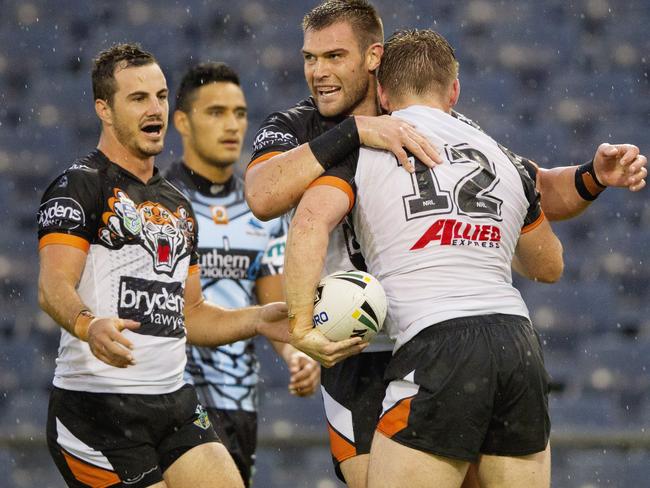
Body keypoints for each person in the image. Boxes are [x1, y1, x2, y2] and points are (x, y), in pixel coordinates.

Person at [244, 2, 647, 486]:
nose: (318, 72)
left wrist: (591, 177)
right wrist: (354, 132)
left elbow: (533, 186)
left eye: (334, 57)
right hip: (360, 346)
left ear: (375, 59)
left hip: (429, 334)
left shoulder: (441, 123)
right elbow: (263, 194)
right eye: (310, 58)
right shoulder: (297, 125)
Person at [284, 27, 566, 488]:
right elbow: (549, 265)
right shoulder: (504, 157)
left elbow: (310, 221)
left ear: (382, 93)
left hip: (438, 341)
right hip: (518, 344)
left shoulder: (364, 148)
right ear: (454, 90)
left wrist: (299, 325)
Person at [37, 44, 293, 488]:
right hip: (97, 409)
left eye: (159, 96)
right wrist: (87, 325)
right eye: (138, 98)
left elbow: (191, 315)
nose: (154, 108)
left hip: (174, 403)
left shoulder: (177, 203)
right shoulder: (78, 185)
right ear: (104, 109)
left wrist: (258, 319)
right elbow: (51, 286)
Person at [164, 62, 320, 487]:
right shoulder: (160, 203)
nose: (232, 124)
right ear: (181, 121)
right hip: (170, 392)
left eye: (239, 113)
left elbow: (273, 302)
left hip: (237, 400)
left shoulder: (264, 208)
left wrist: (296, 354)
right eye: (215, 112)